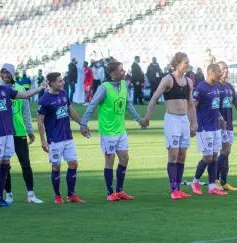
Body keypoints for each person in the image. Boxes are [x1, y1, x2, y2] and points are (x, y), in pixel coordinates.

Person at [0, 63, 45, 208]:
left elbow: (25, 95)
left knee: (5, 165)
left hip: (9, 134)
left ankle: (0, 198)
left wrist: (41, 87)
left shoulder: (4, 89)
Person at [80, 60, 146, 201]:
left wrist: (139, 119)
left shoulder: (123, 84)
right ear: (112, 73)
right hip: (108, 131)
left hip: (121, 130)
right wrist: (83, 123)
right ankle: (110, 193)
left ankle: (120, 191)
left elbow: (128, 104)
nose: (123, 71)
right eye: (121, 70)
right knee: (110, 160)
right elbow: (93, 105)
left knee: (125, 158)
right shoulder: (104, 87)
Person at [144, 52, 197, 200]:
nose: (188, 64)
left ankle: (178, 188)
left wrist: (194, 122)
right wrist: (147, 117)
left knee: (182, 154)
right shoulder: (168, 79)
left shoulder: (189, 81)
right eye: (185, 62)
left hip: (183, 120)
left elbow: (191, 104)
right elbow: (154, 98)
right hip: (172, 120)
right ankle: (173, 189)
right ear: (177, 63)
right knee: (173, 154)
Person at [38, 72, 85, 205]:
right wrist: (43, 140)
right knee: (56, 167)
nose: (62, 83)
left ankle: (71, 195)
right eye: (59, 81)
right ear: (51, 83)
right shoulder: (44, 100)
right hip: (55, 139)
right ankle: (57, 196)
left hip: (67, 137)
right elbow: (40, 122)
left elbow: (70, 110)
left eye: (62, 80)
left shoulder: (64, 94)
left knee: (73, 164)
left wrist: (82, 123)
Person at [1, 63, 43, 204]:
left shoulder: (20, 89)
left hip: (19, 131)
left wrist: (30, 131)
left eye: (8, 72)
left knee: (25, 163)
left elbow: (26, 112)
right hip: (3, 133)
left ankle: (31, 194)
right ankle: (9, 195)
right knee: (5, 165)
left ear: (13, 74)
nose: (5, 75)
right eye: (3, 72)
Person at [191, 64, 228, 196]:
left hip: (215, 128)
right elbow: (193, 107)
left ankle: (212, 186)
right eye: (218, 72)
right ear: (211, 72)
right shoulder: (201, 88)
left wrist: (221, 118)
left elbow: (215, 107)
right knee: (207, 158)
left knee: (214, 156)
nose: (221, 74)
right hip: (204, 128)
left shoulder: (217, 87)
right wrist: (193, 124)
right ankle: (195, 182)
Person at [215, 61, 237, 191]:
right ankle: (215, 179)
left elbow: (235, 101)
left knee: (226, 152)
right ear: (217, 71)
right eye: (223, 69)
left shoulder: (229, 86)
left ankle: (224, 182)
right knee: (224, 151)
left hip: (229, 124)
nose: (226, 71)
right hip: (218, 125)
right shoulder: (215, 87)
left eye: (227, 69)